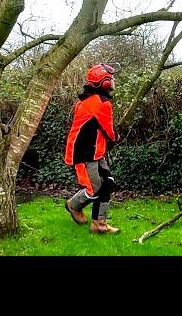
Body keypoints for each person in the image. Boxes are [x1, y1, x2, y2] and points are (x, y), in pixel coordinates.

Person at [63, 63, 120, 234]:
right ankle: (73, 205)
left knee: (107, 184)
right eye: (111, 79)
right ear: (105, 83)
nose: (113, 81)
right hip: (85, 153)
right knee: (94, 189)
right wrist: (116, 138)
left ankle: (99, 224)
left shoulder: (88, 99)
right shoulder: (102, 103)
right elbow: (109, 131)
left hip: (95, 151)